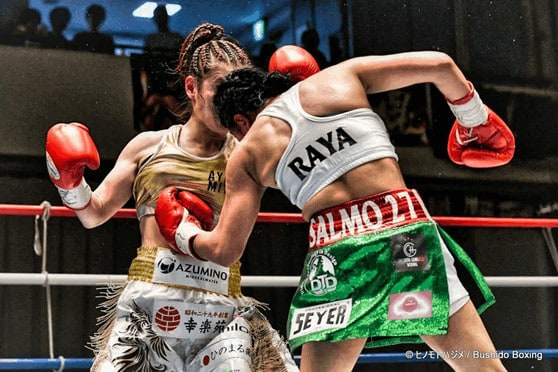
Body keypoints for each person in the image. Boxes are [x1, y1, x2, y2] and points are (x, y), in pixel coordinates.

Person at [166, 47, 515, 371]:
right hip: (403, 237)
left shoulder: (246, 154)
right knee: (481, 367)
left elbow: (225, 250)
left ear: (240, 122)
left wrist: (184, 233)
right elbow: (441, 66)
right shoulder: (341, 77)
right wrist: (473, 118)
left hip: (335, 257)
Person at [45, 23, 298, 371]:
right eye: (221, 90)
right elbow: (94, 213)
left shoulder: (250, 153)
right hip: (151, 300)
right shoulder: (148, 147)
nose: (230, 103)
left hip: (222, 308)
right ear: (192, 88)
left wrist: (295, 105)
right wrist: (69, 183)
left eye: (238, 93)